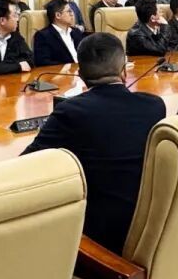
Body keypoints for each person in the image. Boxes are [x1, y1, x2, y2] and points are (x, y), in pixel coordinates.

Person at [22, 33, 165, 254]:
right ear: (124, 71)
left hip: (99, 243)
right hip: (152, 230)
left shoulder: (71, 112)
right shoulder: (154, 107)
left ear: (80, 75)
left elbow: (27, 165)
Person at [34, 0, 85, 66]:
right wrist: (69, 67)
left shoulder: (76, 32)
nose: (72, 14)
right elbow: (43, 62)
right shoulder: (43, 36)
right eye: (69, 11)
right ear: (58, 15)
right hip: (63, 71)